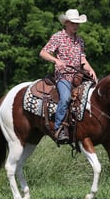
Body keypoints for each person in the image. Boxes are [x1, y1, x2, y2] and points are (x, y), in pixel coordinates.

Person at [40, 9, 97, 142]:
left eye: (77, 23)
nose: (76, 26)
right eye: (73, 23)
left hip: (78, 76)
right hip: (63, 76)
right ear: (66, 23)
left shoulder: (80, 41)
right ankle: (58, 128)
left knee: (94, 96)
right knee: (65, 98)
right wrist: (56, 61)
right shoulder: (58, 37)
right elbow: (43, 52)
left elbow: (83, 60)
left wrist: (91, 70)